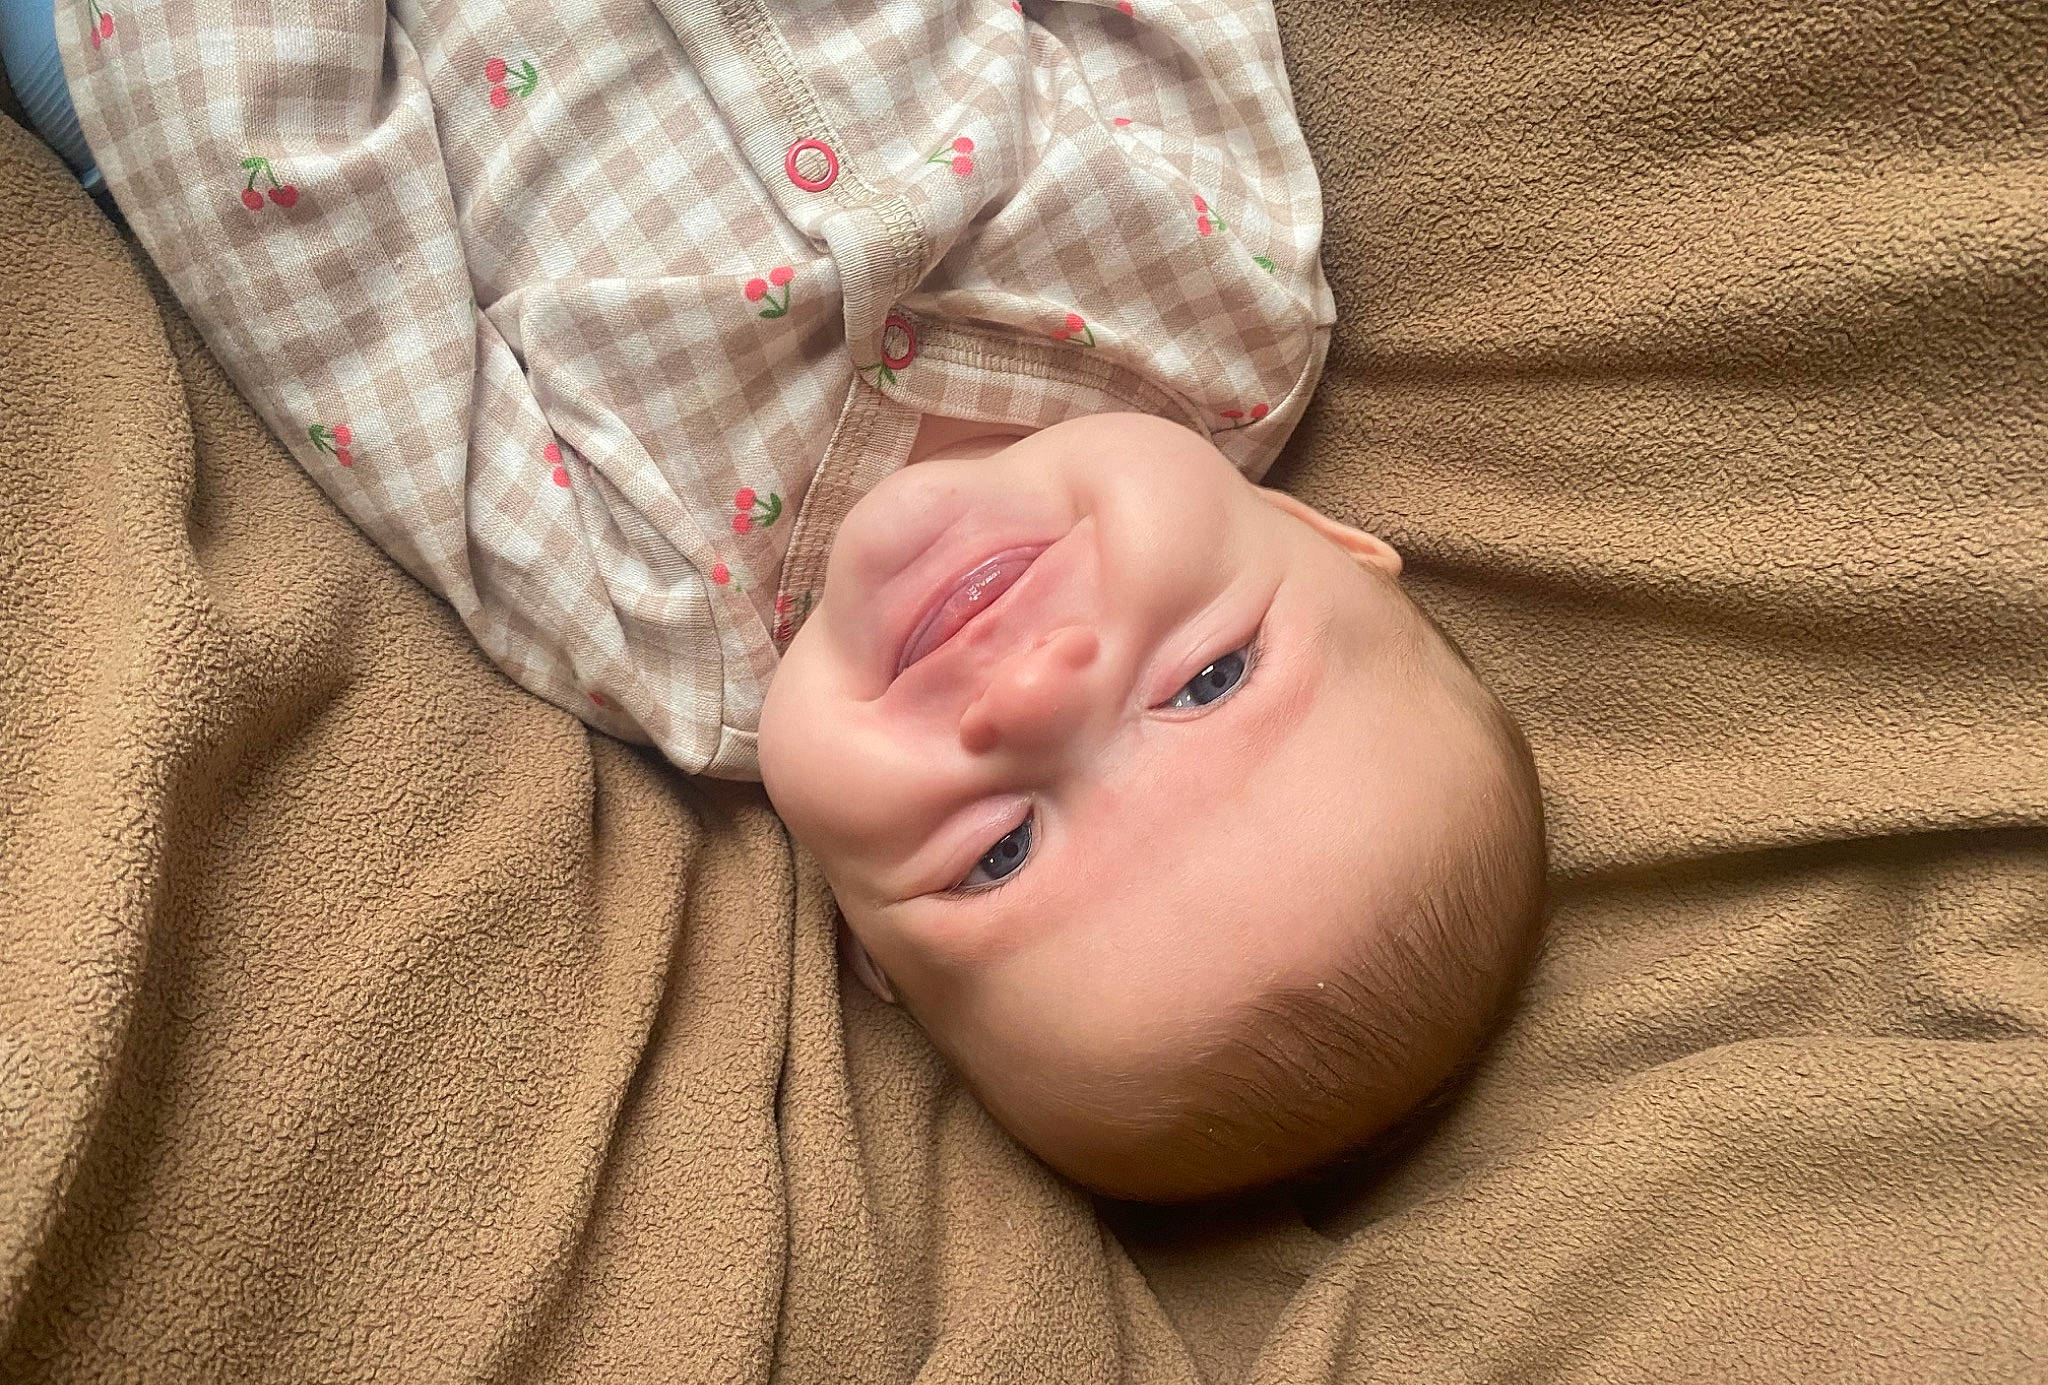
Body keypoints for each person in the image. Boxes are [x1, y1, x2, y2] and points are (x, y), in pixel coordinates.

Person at [47, 0, 1547, 1198]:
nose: (1031, 694)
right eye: (1211, 681)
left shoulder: (671, 640)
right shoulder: (1226, 298)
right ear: (1319, 534)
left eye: (1001, 852)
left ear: (863, 952)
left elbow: (357, 323)